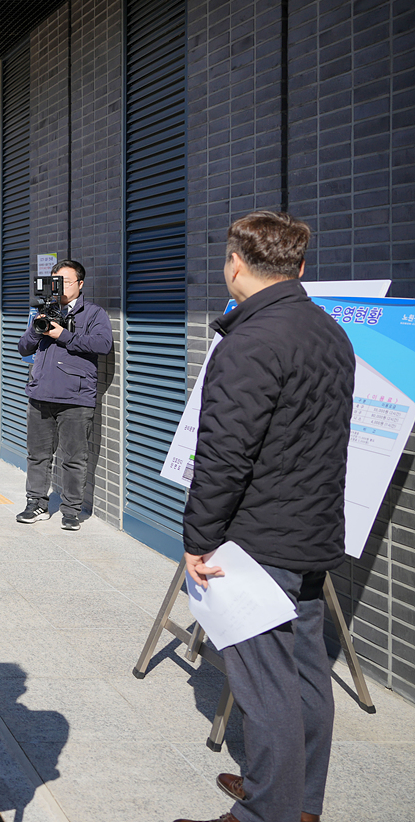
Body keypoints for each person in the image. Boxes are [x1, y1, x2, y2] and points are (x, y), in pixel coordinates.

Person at [173, 212, 354, 822]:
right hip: (312, 532)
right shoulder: (330, 334)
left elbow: (224, 456)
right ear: (299, 268)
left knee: (265, 683)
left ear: (235, 265)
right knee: (305, 671)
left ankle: (266, 812)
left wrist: (198, 539)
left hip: (259, 542)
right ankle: (297, 801)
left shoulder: (250, 342)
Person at [15, 258, 112, 531]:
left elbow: (102, 344)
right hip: (40, 394)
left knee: (74, 457)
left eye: (65, 282)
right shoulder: (43, 312)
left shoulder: (93, 314)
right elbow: (23, 348)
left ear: (80, 284)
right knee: (37, 455)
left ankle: (71, 510)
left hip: (75, 398)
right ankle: (36, 504)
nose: (58, 288)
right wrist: (39, 328)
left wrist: (63, 335)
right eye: (54, 282)